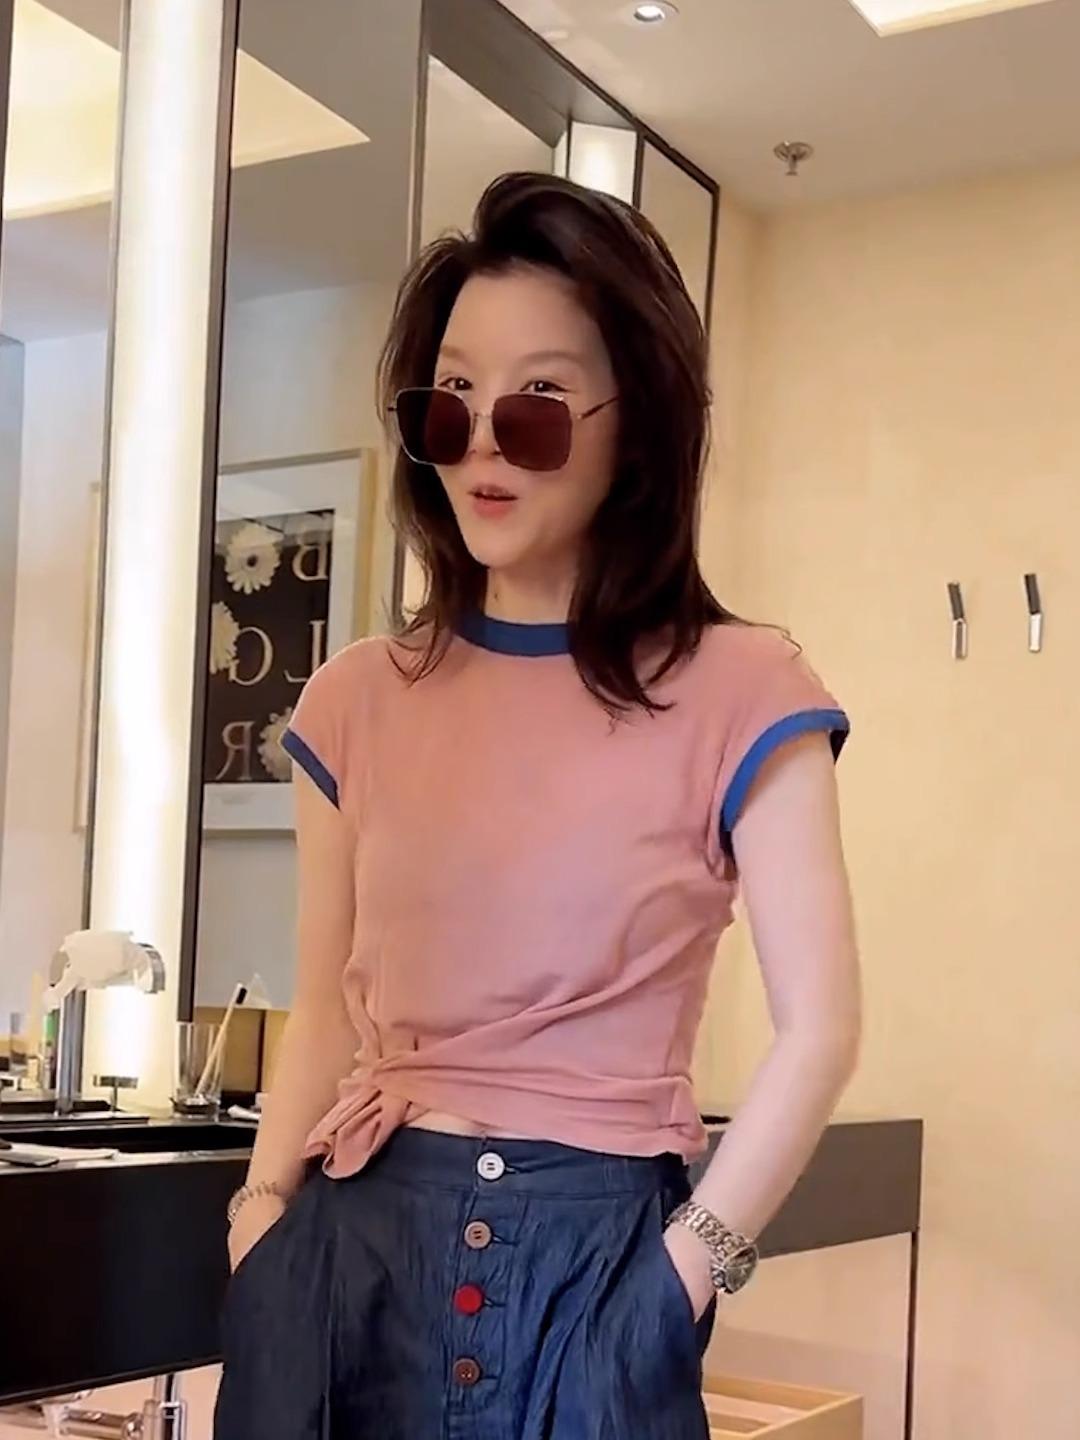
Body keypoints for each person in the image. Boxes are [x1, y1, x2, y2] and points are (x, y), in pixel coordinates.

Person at [214, 172, 861, 1440]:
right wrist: (259, 1228)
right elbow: (323, 1003)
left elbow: (822, 1029)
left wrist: (685, 1275)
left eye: (539, 406)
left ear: (639, 423)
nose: (485, 444)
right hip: (351, 1244)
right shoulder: (355, 699)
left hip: (597, 1258)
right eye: (449, 402)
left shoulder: (745, 689)